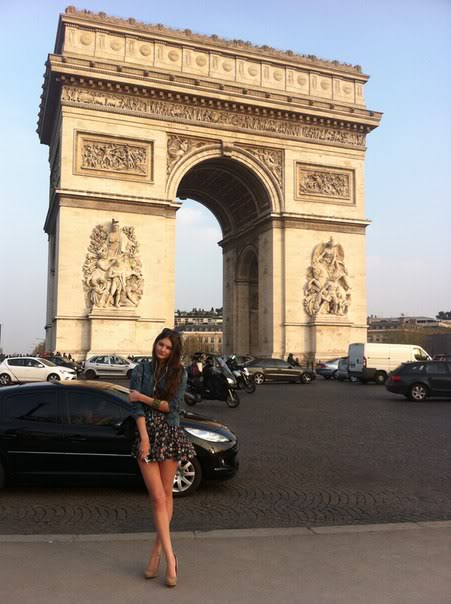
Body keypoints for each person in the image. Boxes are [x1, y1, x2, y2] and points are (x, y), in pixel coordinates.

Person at [128, 328, 195, 588]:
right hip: (147, 435)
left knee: (166, 494)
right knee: (157, 498)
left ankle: (159, 553)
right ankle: (171, 557)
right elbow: (135, 408)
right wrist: (144, 438)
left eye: (168, 347)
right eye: (160, 344)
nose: (163, 349)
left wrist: (143, 397)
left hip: (169, 433)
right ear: (155, 343)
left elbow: (172, 407)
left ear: (173, 351)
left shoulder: (180, 373)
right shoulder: (140, 370)